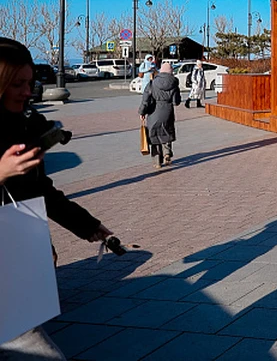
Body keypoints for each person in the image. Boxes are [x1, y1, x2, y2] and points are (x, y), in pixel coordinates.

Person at [0, 38, 113, 360]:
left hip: (14, 254)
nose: (28, 91)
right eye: (17, 83)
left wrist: (87, 225)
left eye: (30, 82)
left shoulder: (22, 126)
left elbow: (40, 190)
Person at [139, 62, 181, 169]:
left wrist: (142, 112)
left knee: (154, 136)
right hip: (168, 112)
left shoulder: (152, 83)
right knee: (166, 132)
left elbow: (145, 100)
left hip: (154, 113)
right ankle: (167, 152)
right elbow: (176, 102)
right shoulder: (174, 83)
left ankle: (157, 161)